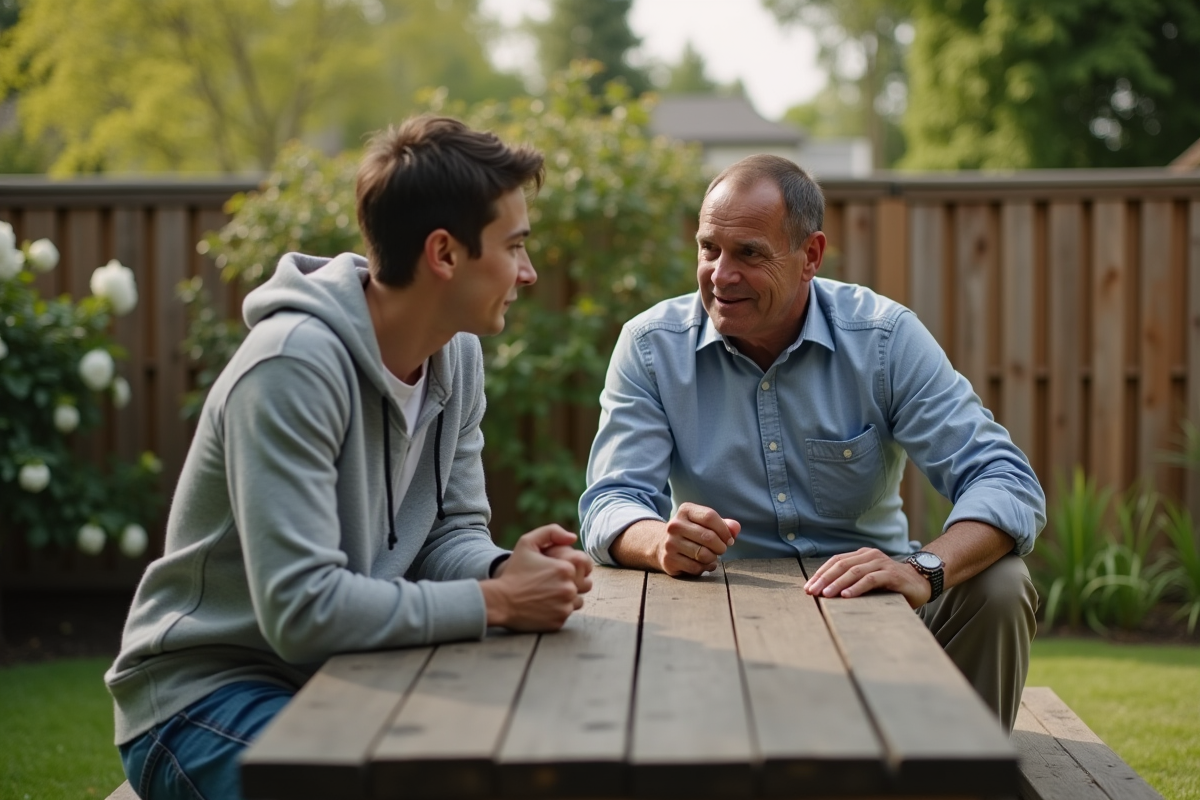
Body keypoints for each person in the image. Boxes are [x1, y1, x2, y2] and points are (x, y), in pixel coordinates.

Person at [106, 115, 593, 800]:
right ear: (445, 254)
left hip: (345, 673)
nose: (528, 271)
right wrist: (497, 601)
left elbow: (448, 533)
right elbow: (302, 610)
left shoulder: (456, 355)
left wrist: (503, 568)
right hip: (204, 699)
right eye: (514, 247)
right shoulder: (290, 367)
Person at [579, 154, 1044, 734]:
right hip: (718, 619)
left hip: (875, 616)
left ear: (811, 257)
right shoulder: (651, 348)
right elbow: (609, 503)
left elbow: (1005, 479)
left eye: (748, 253)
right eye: (708, 249)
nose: (720, 275)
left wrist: (924, 569)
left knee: (1001, 584)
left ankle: (964, 776)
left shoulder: (883, 339)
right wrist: (658, 541)